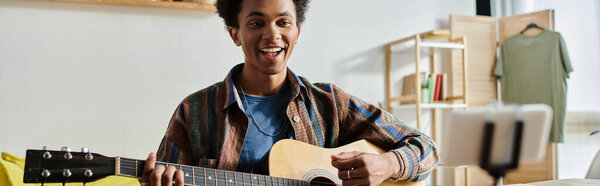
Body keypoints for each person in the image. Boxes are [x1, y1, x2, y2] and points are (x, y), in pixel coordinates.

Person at [141, 0, 439, 185]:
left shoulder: (330, 103)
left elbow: (427, 148)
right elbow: (166, 176)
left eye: (283, 22)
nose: (272, 34)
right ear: (235, 33)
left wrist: (387, 164)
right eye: (256, 23)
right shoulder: (194, 111)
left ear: (297, 31)